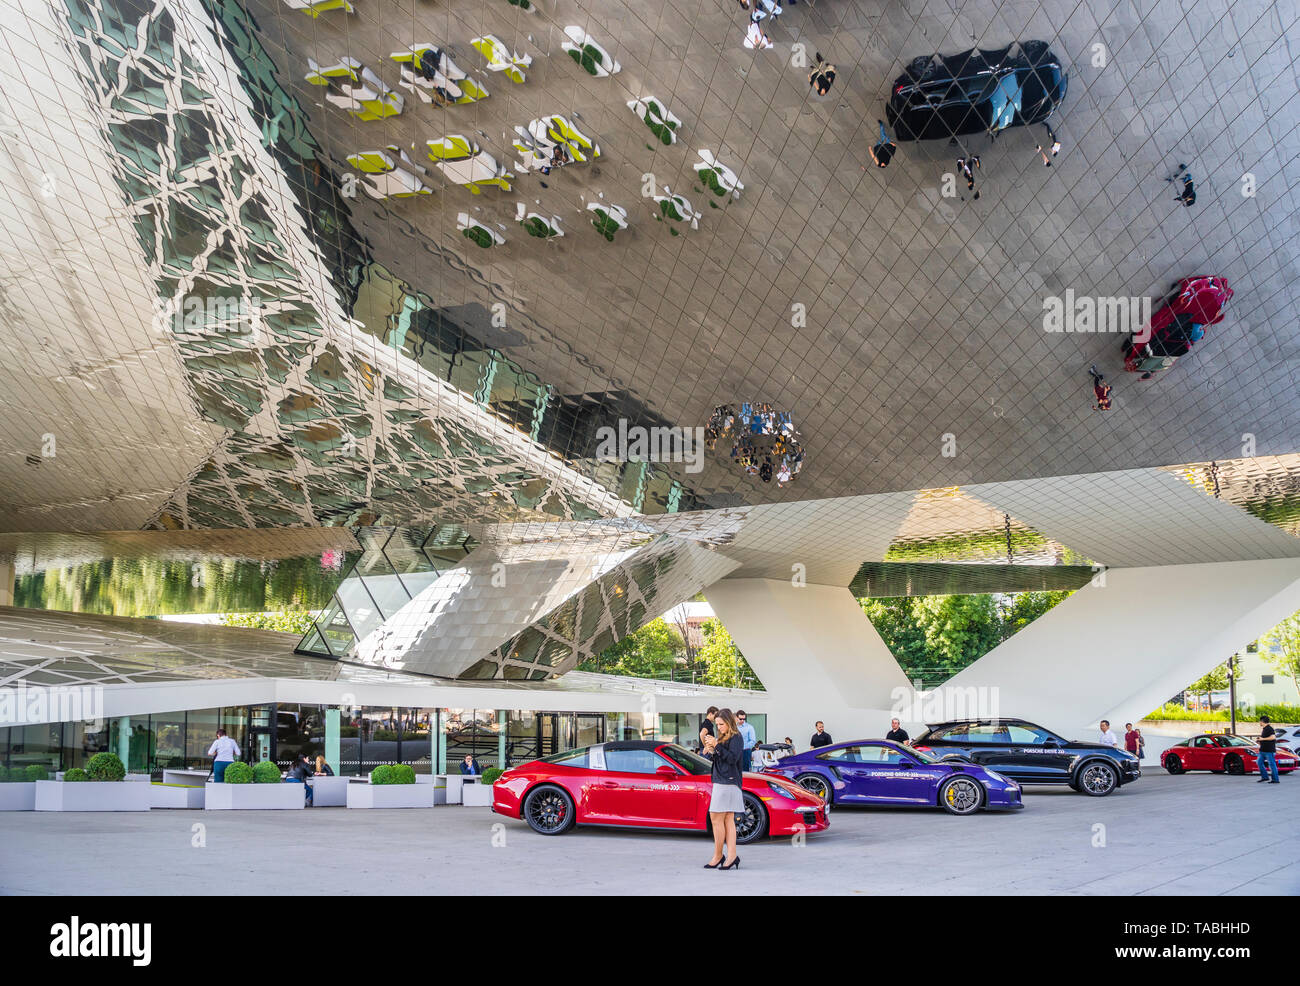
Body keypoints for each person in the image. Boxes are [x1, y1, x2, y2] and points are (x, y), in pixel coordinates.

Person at [701, 709, 745, 870]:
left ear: (729, 723)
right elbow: (721, 759)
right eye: (717, 724)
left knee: (716, 818)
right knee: (727, 819)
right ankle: (731, 856)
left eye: (721, 724)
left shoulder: (736, 737)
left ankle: (719, 855)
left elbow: (732, 759)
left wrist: (717, 745)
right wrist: (710, 750)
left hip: (728, 782)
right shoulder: (725, 737)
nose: (718, 727)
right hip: (724, 780)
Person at [1257, 715, 1280, 783]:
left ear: (1262, 721)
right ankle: (1265, 777)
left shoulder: (1269, 728)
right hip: (1262, 750)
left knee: (1272, 765)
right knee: (1259, 762)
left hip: (1269, 751)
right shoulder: (1264, 729)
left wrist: (1262, 739)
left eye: (1260, 721)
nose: (1259, 723)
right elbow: (1265, 739)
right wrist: (1260, 740)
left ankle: (1275, 779)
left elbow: (1273, 737)